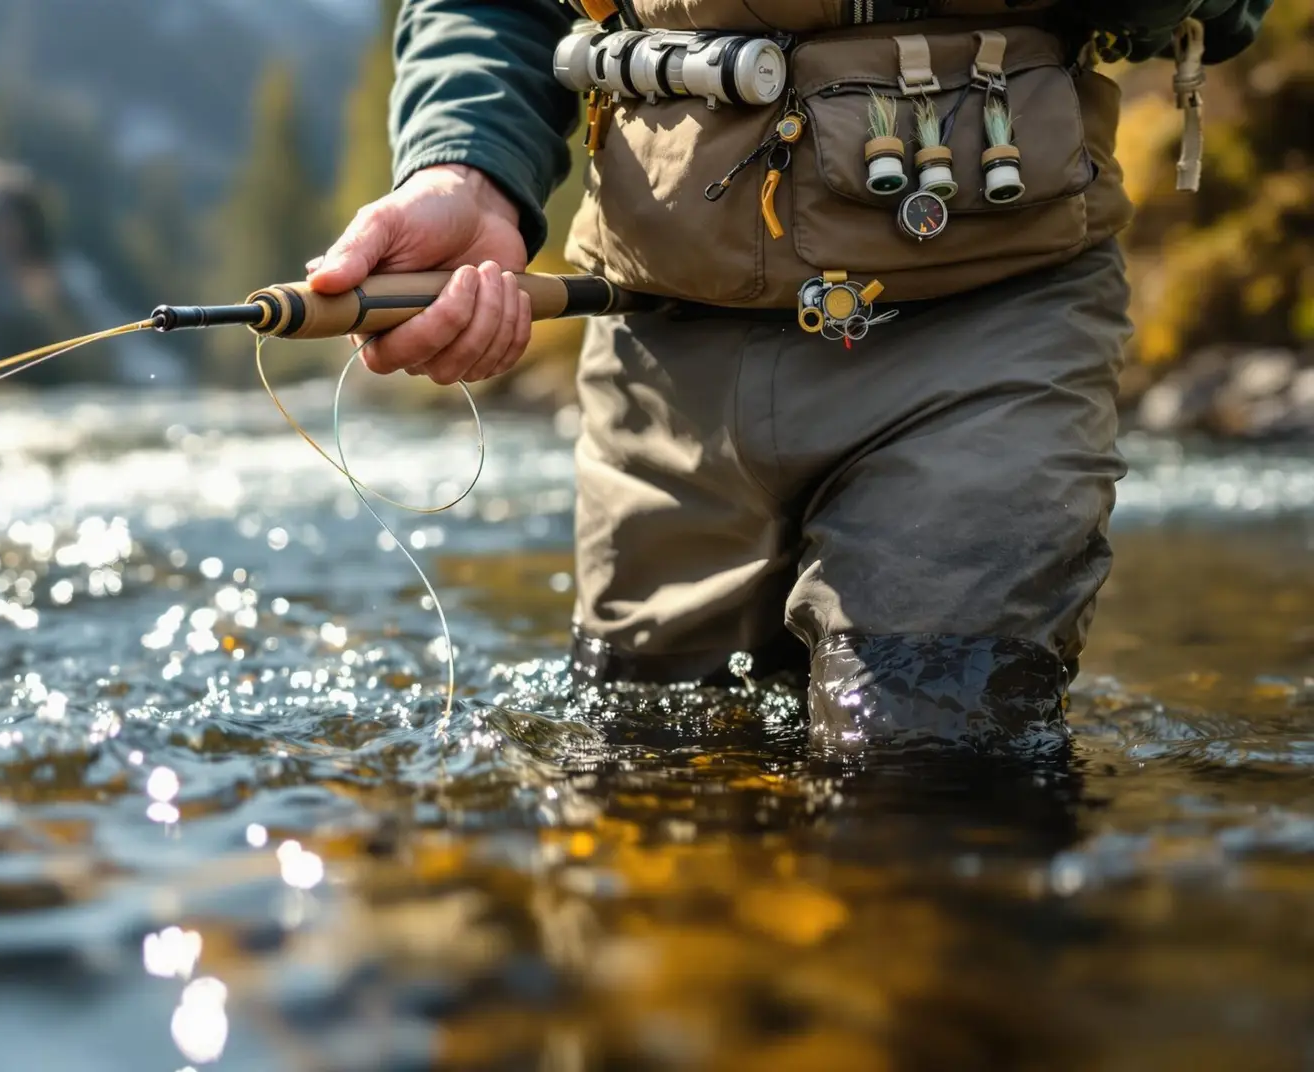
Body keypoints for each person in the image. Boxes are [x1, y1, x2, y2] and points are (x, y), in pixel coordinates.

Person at [309, 0, 1272, 750]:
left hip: (987, 330)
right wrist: (466, 172)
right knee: (651, 779)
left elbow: (1219, 17)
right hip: (659, 340)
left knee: (928, 781)